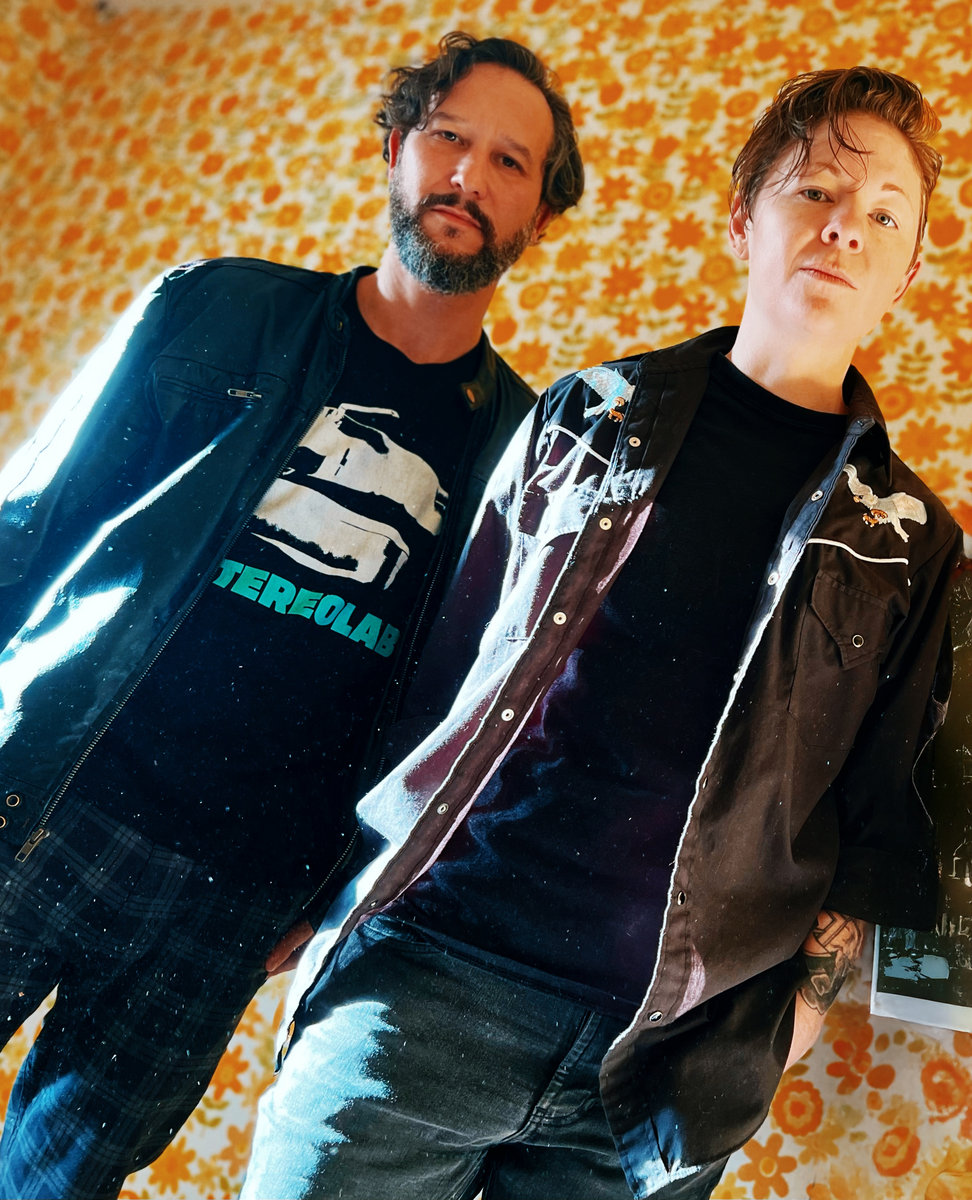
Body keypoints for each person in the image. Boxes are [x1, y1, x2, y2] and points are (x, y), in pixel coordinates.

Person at [241, 66, 965, 1200]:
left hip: (662, 1077)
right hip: (423, 985)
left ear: (908, 268)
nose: (843, 229)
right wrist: (330, 889)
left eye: (883, 215)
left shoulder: (914, 541)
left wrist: (794, 1024)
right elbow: (436, 670)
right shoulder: (584, 413)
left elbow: (884, 817)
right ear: (745, 218)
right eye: (816, 191)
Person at [0, 31, 583, 1200]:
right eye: (449, 137)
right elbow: (33, 516)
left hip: (232, 899)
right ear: (395, 148)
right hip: (51, 801)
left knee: (62, 1180)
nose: (469, 175)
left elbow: (453, 716)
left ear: (539, 215)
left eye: (510, 162)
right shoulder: (217, 309)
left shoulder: (524, 462)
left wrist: (333, 891)